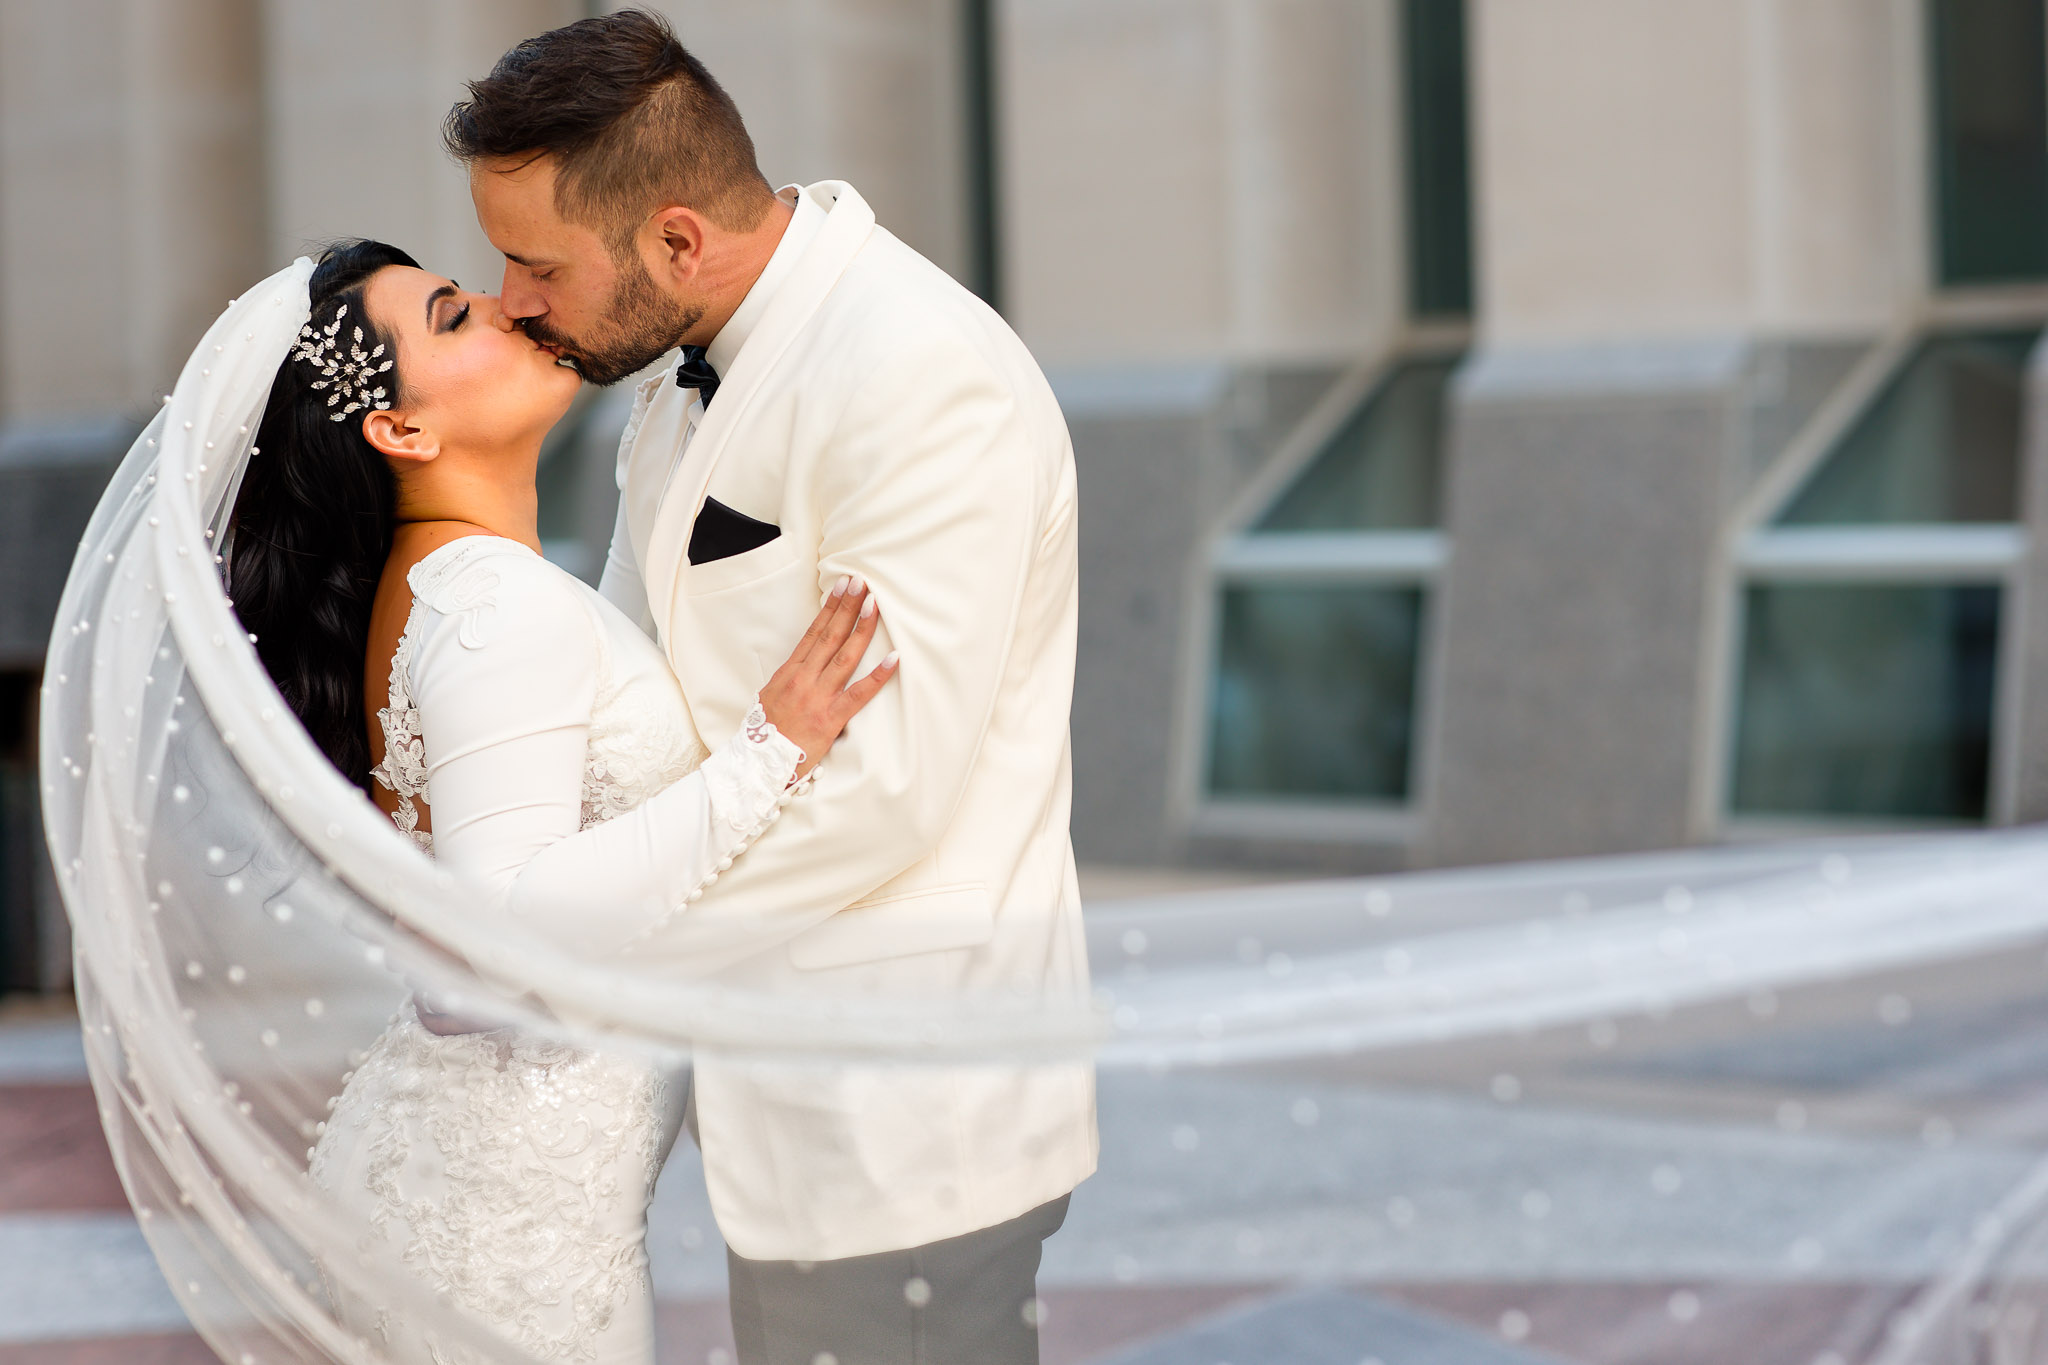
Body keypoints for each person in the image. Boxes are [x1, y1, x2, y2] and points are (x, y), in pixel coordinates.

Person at [444, 11, 1098, 1363]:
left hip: (903, 1109)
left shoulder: (923, 380)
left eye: (533, 265)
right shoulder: (679, 374)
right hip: (782, 1094)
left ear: (680, 240)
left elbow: (882, 791)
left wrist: (572, 961)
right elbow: (641, 696)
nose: (511, 302)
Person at [226, 240, 898, 1364]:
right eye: (452, 315)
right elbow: (500, 937)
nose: (503, 305)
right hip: (505, 1233)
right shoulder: (495, 609)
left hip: (474, 1187)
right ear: (401, 432)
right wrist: (767, 752)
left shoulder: (453, 587)